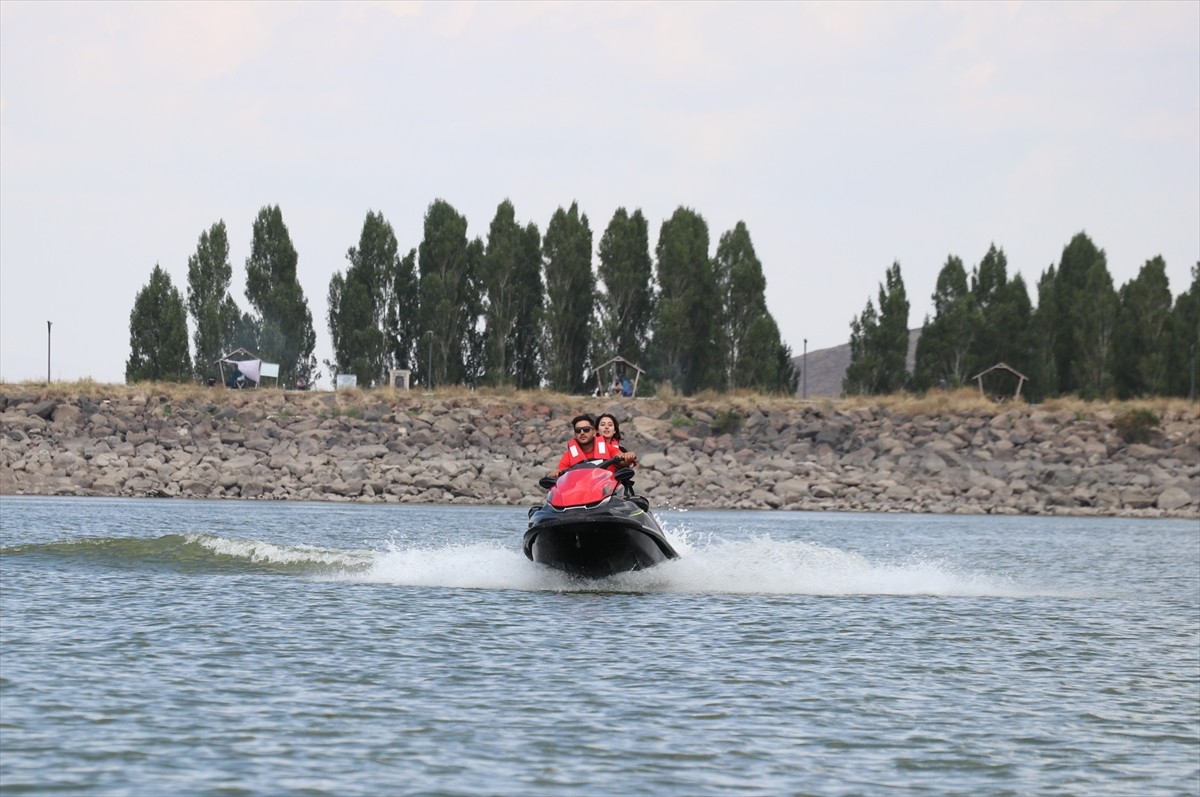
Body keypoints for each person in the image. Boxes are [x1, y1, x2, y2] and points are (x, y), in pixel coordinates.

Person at [554, 414, 633, 477]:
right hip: (581, 492)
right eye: (578, 430)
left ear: (594, 432)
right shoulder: (568, 455)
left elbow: (622, 459)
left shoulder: (608, 448)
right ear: (575, 435)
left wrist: (627, 456)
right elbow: (560, 474)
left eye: (586, 429)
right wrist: (555, 473)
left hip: (607, 490)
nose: (582, 433)